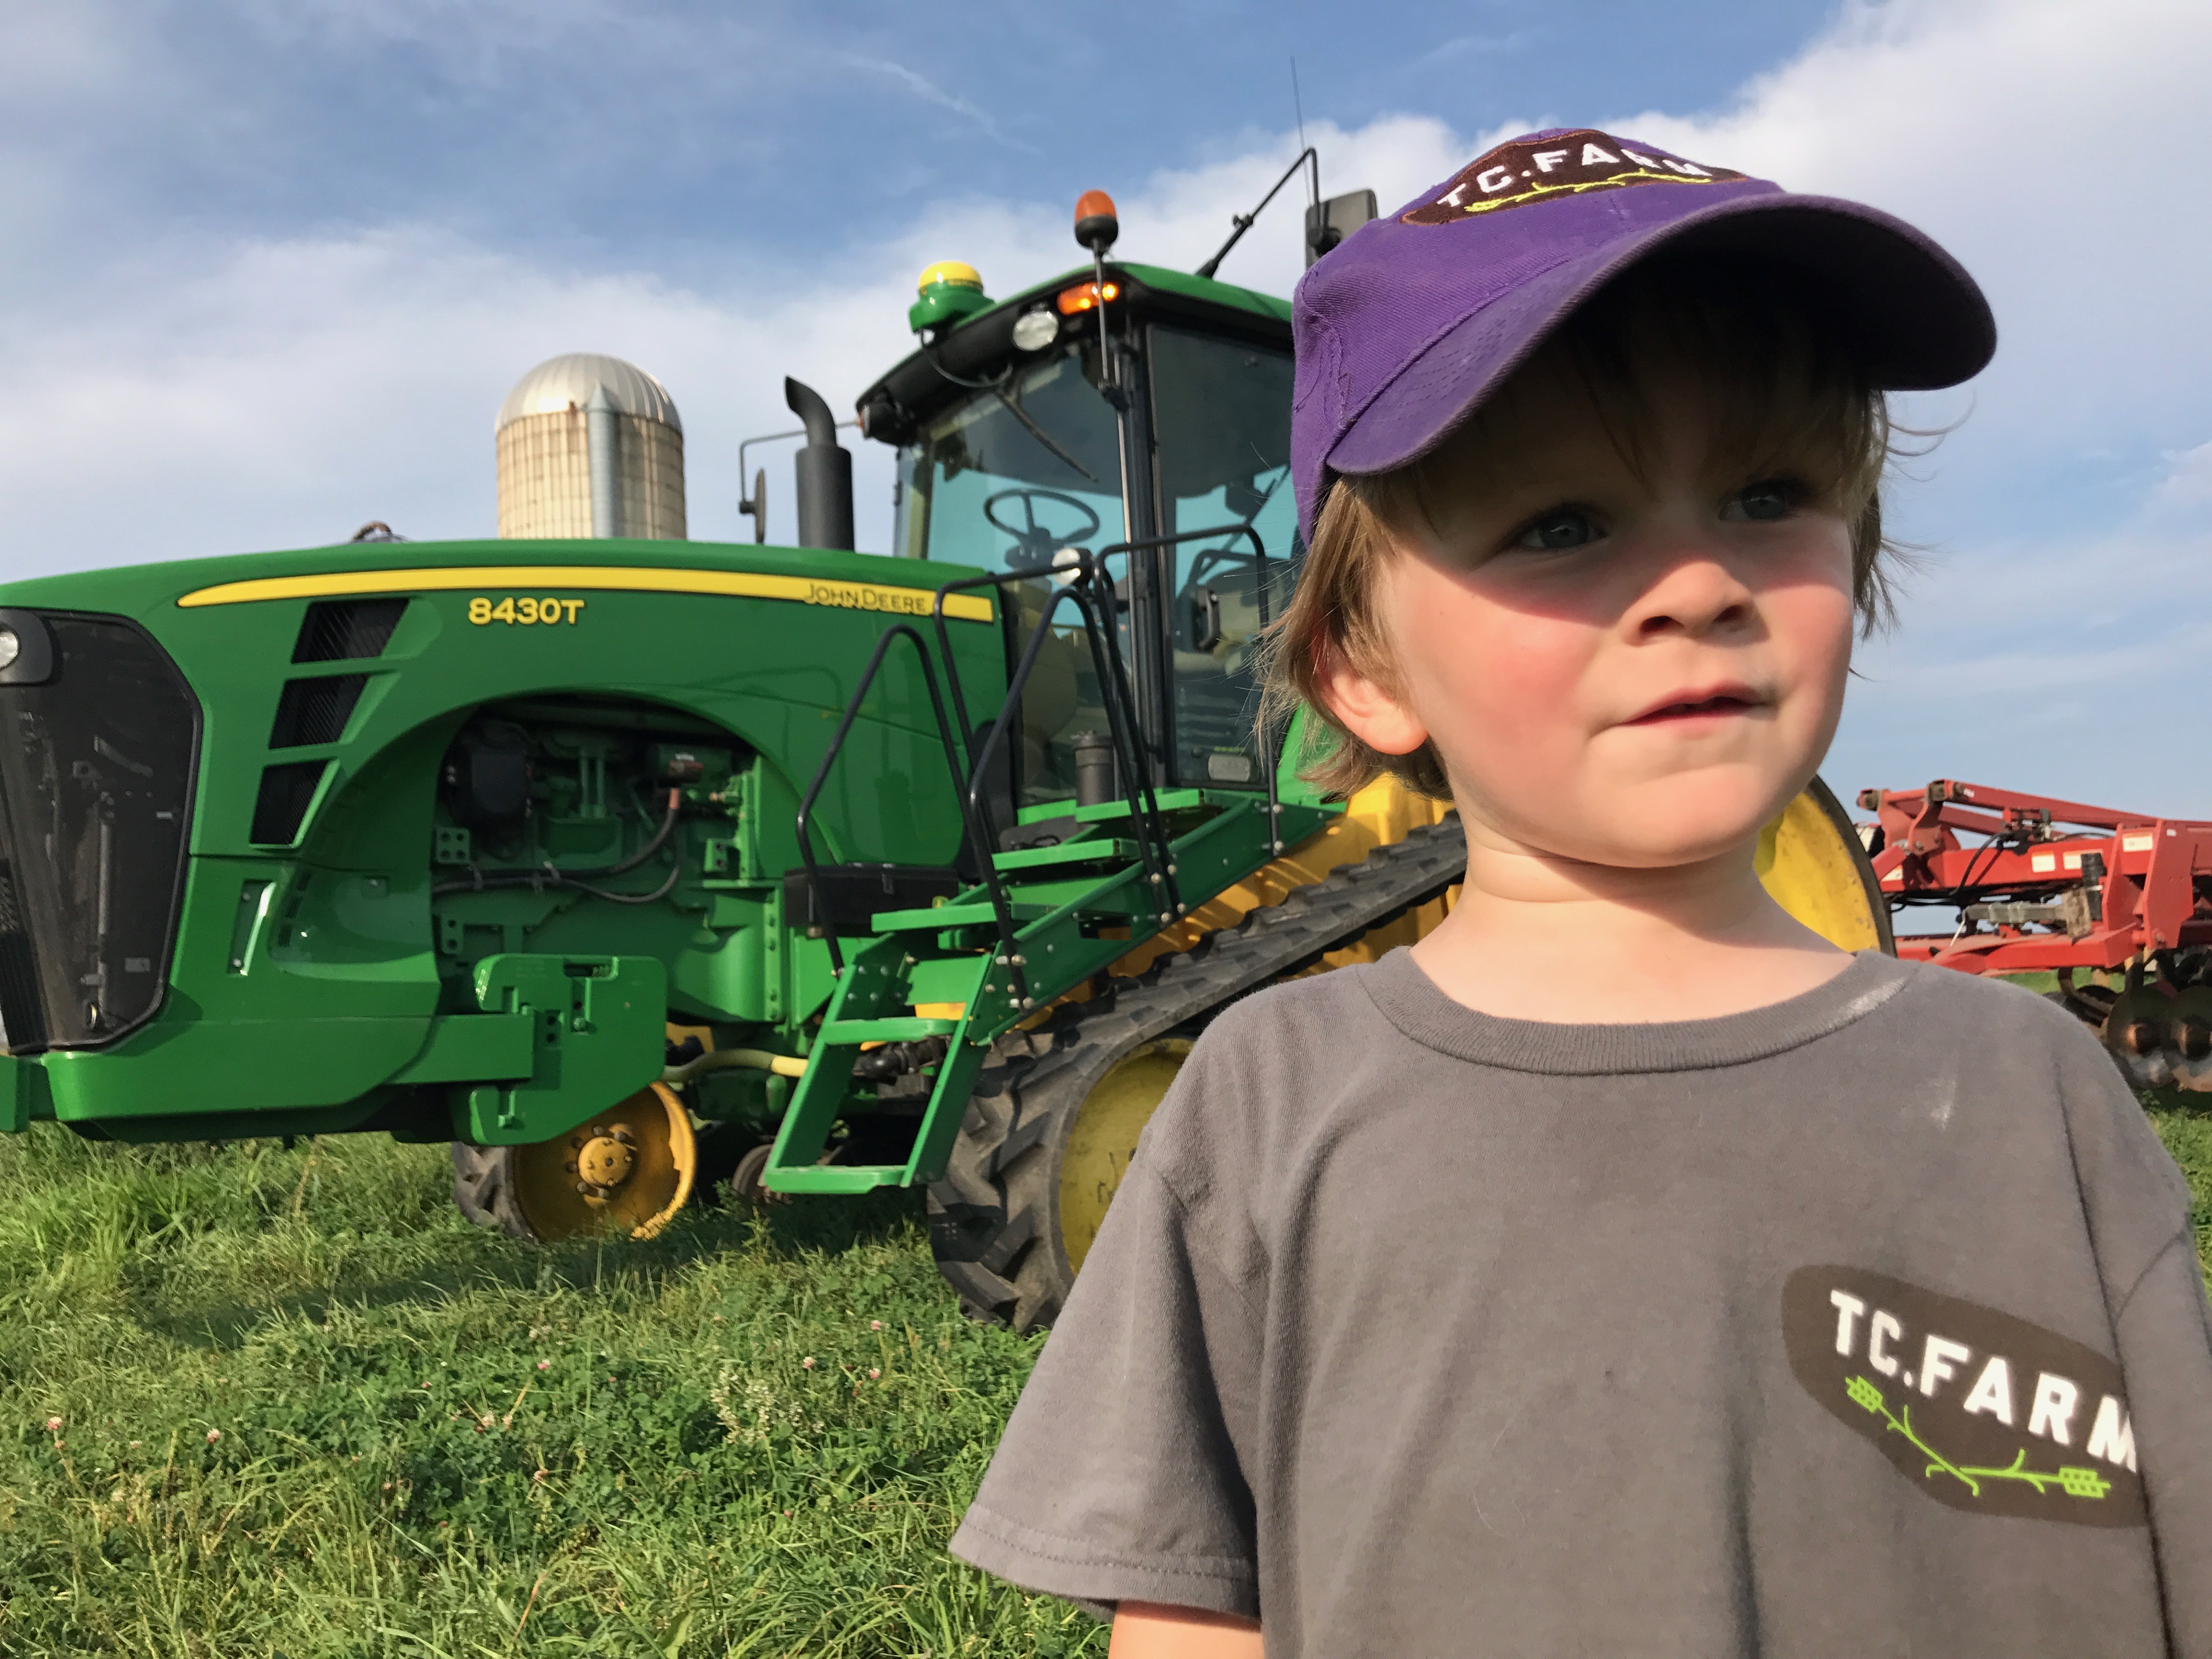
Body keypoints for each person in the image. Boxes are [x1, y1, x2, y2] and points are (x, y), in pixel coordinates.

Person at [948, 129, 2212, 1657]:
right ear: (1360, 666)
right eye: (1562, 526)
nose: (1699, 585)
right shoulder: (1266, 1102)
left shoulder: (2035, 1097)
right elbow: (1193, 1610)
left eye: (1768, 493)